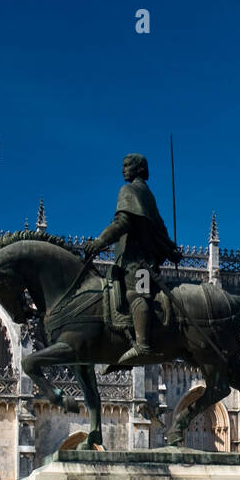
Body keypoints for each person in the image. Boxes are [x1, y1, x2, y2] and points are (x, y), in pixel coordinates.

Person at [82, 153, 183, 365]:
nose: (123, 169)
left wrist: (100, 242)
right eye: (123, 165)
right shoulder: (148, 194)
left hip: (138, 262)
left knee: (137, 294)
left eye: (127, 165)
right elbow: (160, 229)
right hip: (139, 261)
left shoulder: (130, 191)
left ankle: (143, 345)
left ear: (138, 169)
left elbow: (122, 222)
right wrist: (170, 249)